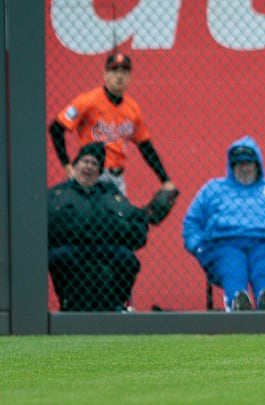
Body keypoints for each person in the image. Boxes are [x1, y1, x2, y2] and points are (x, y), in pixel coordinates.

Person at [182, 136, 265, 312]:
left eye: (248, 163)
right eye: (238, 163)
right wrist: (197, 247)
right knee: (233, 268)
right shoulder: (213, 189)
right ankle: (237, 303)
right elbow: (191, 222)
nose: (244, 168)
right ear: (231, 166)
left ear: (257, 164)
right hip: (223, 243)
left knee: (263, 270)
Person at [49, 52, 177, 196]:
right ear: (105, 74)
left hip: (117, 178)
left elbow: (145, 146)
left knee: (119, 217)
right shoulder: (88, 101)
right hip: (92, 174)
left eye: (124, 71)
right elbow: (56, 128)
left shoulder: (132, 108)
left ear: (130, 78)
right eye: (114, 70)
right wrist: (67, 165)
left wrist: (165, 179)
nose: (119, 76)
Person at [48, 142, 149, 311]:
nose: (88, 167)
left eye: (94, 163)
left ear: (100, 171)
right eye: (85, 161)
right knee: (59, 256)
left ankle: (117, 303)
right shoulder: (58, 194)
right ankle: (67, 301)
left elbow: (134, 221)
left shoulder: (111, 194)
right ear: (75, 165)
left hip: (105, 246)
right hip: (73, 247)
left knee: (127, 259)